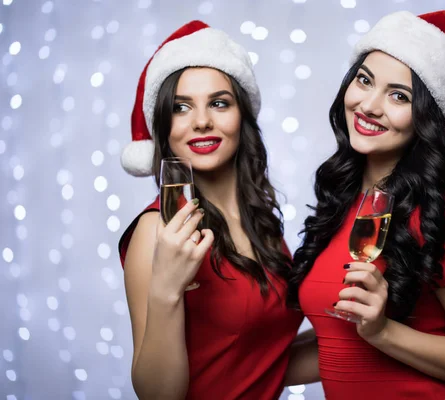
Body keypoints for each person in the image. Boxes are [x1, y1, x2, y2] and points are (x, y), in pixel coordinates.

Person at [288, 10, 445, 399]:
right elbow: (337, 344)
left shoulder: (437, 216)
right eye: (364, 80)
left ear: (427, 117)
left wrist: (384, 332)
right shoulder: (343, 201)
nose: (369, 105)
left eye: (399, 96)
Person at [117, 21, 308, 399]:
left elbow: (263, 361)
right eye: (181, 107)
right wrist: (167, 291)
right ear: (163, 126)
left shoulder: (261, 221)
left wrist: (379, 331)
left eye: (219, 103)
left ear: (242, 118)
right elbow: (157, 395)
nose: (202, 121)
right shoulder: (156, 230)